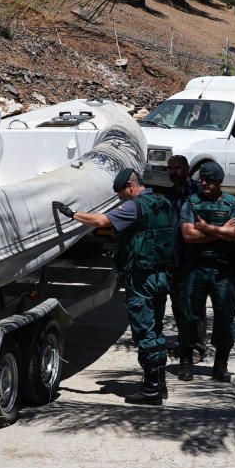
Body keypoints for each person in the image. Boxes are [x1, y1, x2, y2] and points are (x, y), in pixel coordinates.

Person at [55, 169, 174, 405]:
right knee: (157, 329)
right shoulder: (163, 202)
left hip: (141, 278)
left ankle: (150, 391)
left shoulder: (134, 206)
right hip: (161, 275)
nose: (120, 198)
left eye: (121, 192)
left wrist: (72, 214)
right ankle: (159, 384)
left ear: (130, 185)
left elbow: (101, 221)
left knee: (144, 332)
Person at [178, 161, 235, 382]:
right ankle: (186, 362)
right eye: (202, 179)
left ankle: (221, 365)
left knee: (224, 318)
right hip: (195, 267)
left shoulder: (232, 203)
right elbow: (188, 235)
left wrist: (207, 228)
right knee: (189, 316)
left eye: (209, 180)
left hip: (223, 269)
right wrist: (222, 231)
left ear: (219, 182)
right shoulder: (192, 203)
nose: (204, 183)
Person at [163, 156, 202, 362]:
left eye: (177, 168)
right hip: (175, 257)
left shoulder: (197, 192)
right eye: (170, 168)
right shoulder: (169, 193)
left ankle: (197, 346)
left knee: (194, 303)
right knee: (177, 303)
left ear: (187, 169)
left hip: (193, 257)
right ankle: (184, 342)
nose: (173, 172)